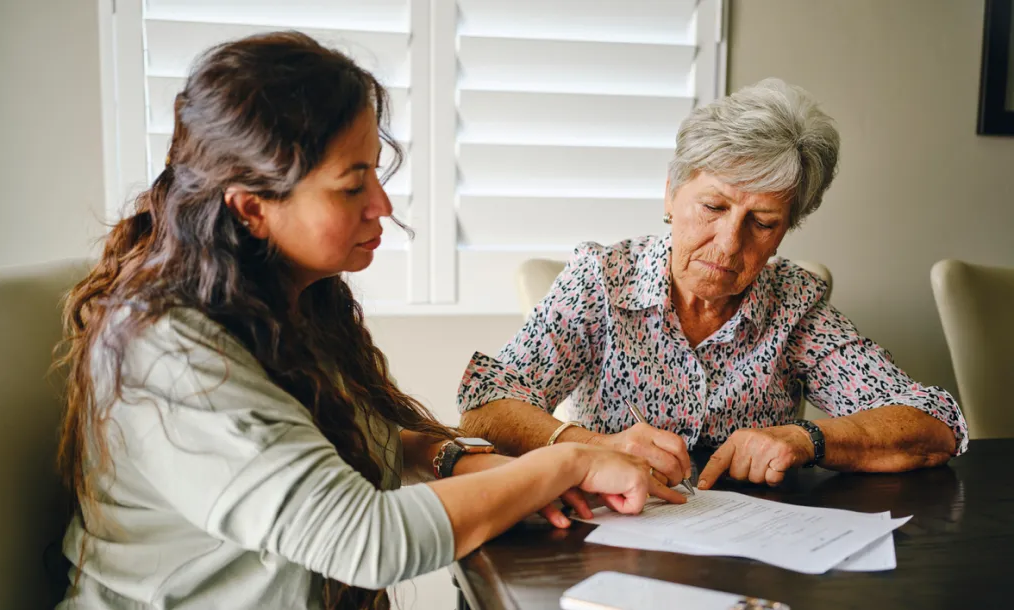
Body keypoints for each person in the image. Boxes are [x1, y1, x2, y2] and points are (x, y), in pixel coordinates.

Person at [55, 32, 681, 610]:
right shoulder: (170, 353)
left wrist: (491, 470)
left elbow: (376, 438)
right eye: (353, 185)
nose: (382, 205)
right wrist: (566, 464)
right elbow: (365, 539)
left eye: (376, 173)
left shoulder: (289, 302)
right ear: (251, 209)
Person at [457, 78, 968, 491]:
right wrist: (592, 445)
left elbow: (932, 425)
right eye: (713, 207)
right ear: (671, 195)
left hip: (752, 552)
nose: (727, 244)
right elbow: (485, 406)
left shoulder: (796, 305)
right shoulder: (602, 281)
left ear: (784, 231)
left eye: (762, 222)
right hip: (613, 534)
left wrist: (806, 437)